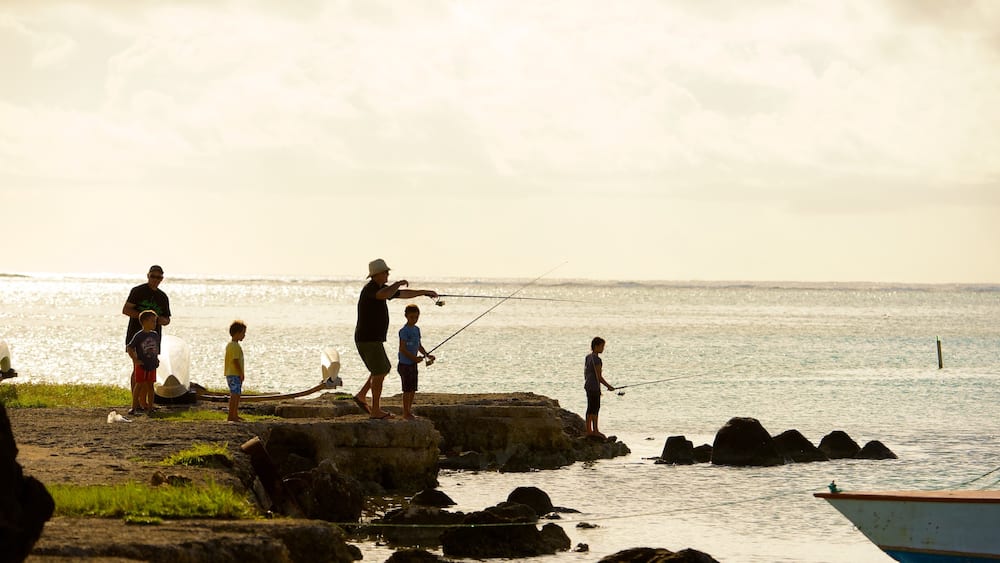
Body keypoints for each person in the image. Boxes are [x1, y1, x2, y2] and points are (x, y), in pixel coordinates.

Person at [354, 259, 437, 420]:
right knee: (381, 370)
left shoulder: (381, 288)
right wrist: (397, 283)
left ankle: (362, 395)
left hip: (373, 339)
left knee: (381, 368)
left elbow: (403, 294)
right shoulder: (370, 289)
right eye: (385, 272)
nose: (388, 274)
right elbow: (383, 295)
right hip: (367, 339)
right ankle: (375, 410)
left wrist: (424, 292)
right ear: (377, 275)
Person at [122, 265, 171, 403]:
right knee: (138, 368)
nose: (156, 279)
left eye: (159, 277)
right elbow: (126, 310)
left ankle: (145, 402)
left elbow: (167, 319)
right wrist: (144, 318)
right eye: (153, 276)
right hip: (136, 336)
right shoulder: (138, 291)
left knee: (149, 369)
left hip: (153, 340)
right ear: (148, 276)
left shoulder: (162, 297)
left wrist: (160, 320)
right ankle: (136, 402)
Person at [397, 304, 434, 420]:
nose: (414, 319)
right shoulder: (404, 331)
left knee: (413, 389)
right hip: (405, 364)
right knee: (406, 389)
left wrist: (426, 355)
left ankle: (409, 410)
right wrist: (414, 358)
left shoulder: (417, 329)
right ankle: (405, 412)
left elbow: (419, 346)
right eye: (412, 317)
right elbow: (402, 349)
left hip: (413, 364)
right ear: (406, 316)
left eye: (416, 317)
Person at [126, 310, 160, 415]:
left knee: (150, 386)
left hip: (152, 364)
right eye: (152, 321)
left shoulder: (155, 335)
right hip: (141, 365)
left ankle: (150, 407)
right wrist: (135, 359)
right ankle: (134, 407)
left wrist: (156, 358)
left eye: (155, 321)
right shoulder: (139, 335)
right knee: (139, 385)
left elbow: (155, 348)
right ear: (144, 322)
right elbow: (130, 347)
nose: (154, 324)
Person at [584, 336, 615, 439]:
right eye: (602, 346)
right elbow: (599, 377)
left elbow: (586, 373)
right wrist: (609, 386)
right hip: (593, 387)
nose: (603, 349)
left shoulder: (588, 357)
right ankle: (595, 430)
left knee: (590, 408)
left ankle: (589, 430)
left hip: (588, 385)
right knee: (595, 409)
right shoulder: (597, 360)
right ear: (596, 346)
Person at [225, 320, 247, 422]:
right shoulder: (234, 346)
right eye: (243, 333)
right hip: (234, 373)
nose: (244, 336)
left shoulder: (233, 345)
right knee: (234, 395)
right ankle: (231, 415)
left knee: (237, 394)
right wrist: (241, 373)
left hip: (233, 374)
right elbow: (235, 361)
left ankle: (235, 414)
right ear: (237, 333)